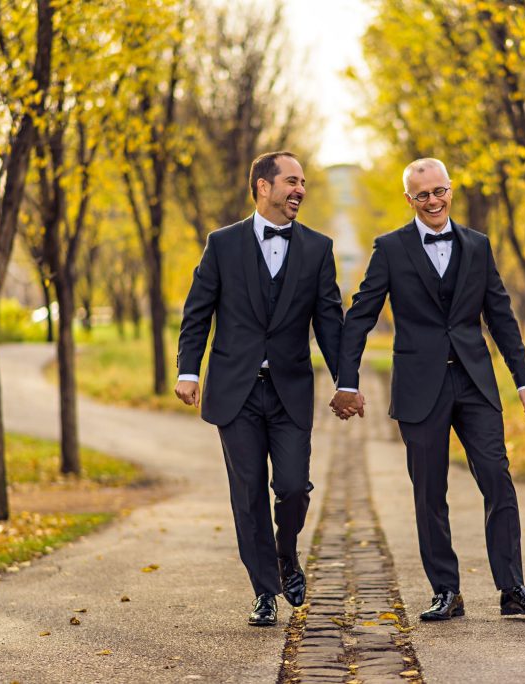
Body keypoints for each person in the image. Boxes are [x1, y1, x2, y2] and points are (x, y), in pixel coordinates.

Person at [330, 158, 525, 621]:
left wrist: (524, 382)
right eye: (423, 195)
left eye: (439, 191)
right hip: (419, 387)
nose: (433, 201)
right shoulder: (390, 248)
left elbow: (501, 317)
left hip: (475, 382)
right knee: (429, 493)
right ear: (409, 200)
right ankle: (446, 592)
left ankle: (513, 589)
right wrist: (347, 380)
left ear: (450, 190)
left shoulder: (478, 245)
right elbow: (361, 316)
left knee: (497, 478)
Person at [175, 151, 344, 627]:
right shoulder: (222, 244)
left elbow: (330, 323)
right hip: (236, 390)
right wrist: (189, 370)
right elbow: (197, 312)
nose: (300, 190)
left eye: (304, 183)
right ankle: (264, 591)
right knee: (247, 494)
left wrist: (345, 381)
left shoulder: (318, 248)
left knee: (292, 487)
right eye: (291, 181)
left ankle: (286, 552)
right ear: (262, 187)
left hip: (290, 389)